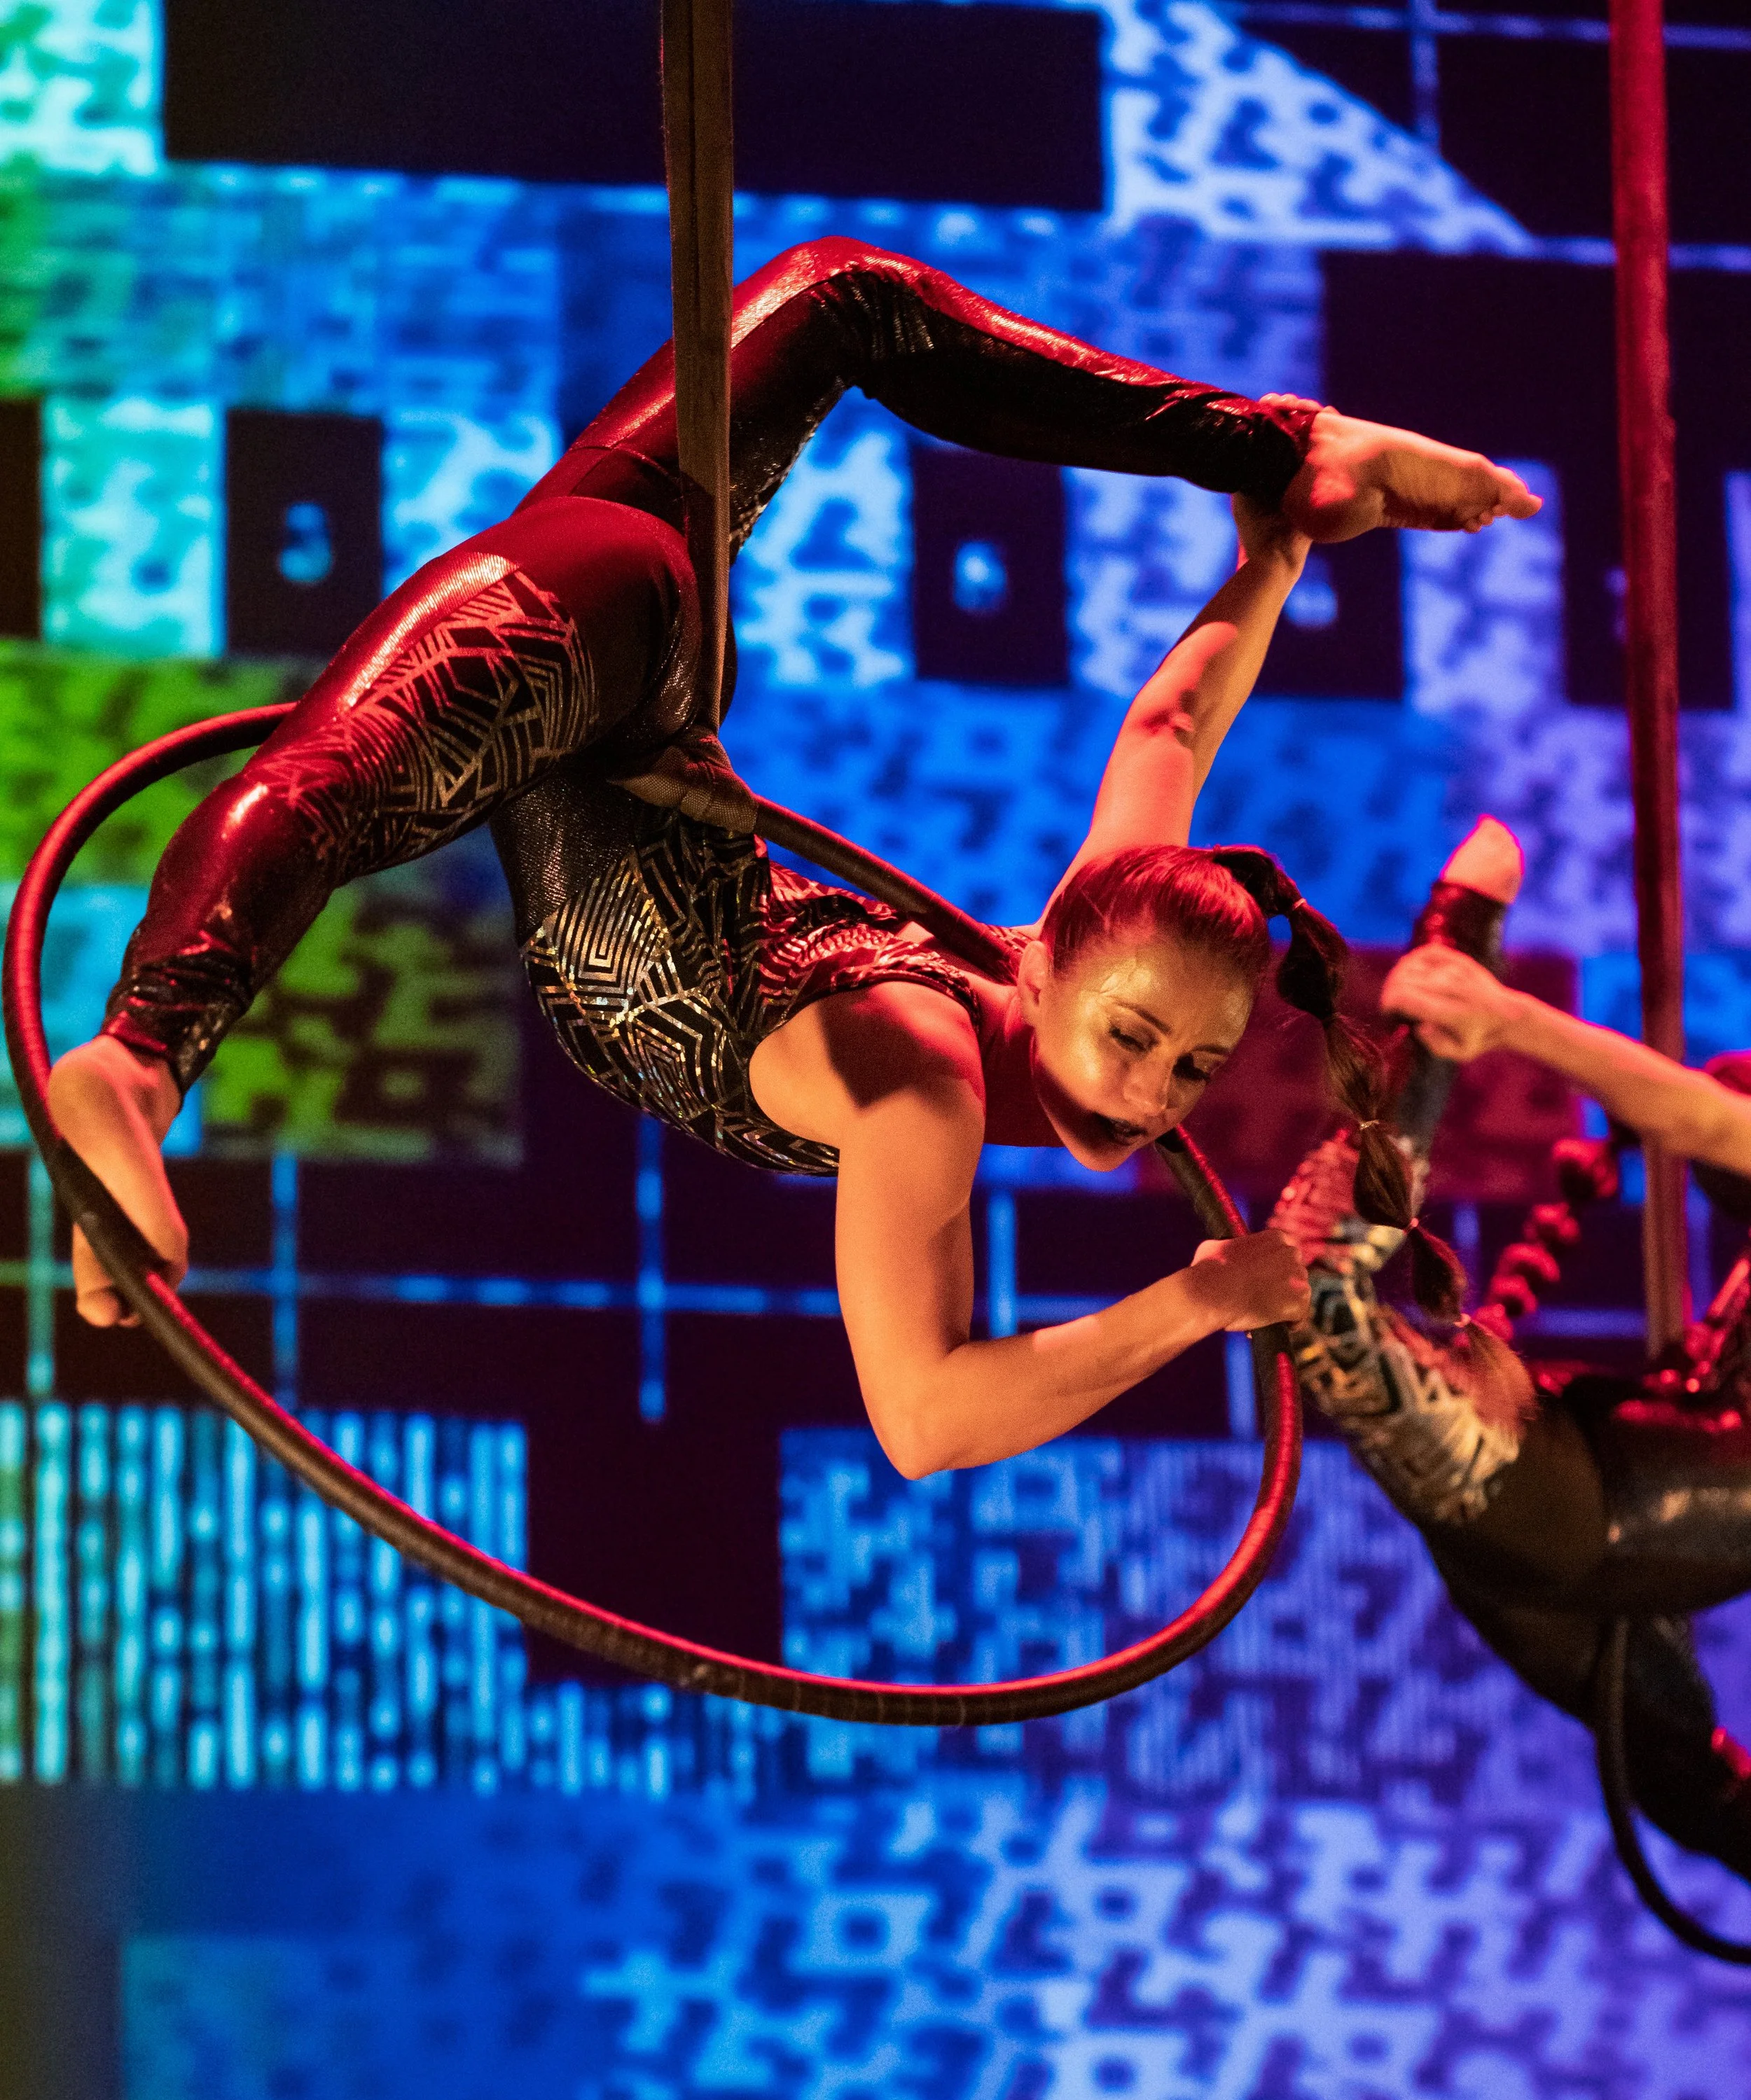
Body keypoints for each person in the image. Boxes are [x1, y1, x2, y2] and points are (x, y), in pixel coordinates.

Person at [46, 239, 1536, 1480]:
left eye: (1191, 1073)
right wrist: (1188, 1306)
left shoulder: (1060, 963)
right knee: (356, 772)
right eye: (1135, 1037)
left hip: (627, 670)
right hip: (628, 671)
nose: (1149, 1094)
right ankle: (142, 1058)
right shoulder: (927, 1088)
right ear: (1050, 955)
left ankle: (1290, 450)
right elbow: (924, 1417)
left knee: (840, 303)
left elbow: (1169, 727)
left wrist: (1270, 551)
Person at [1271, 818, 1751, 1880]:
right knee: (1687, 1781)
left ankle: (1459, 947)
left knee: (1316, 1289)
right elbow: (1718, 1120)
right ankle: (1456, 956)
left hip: (1649, 1499)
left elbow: (1719, 1132)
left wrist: (1508, 1016)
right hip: (1608, 1489)